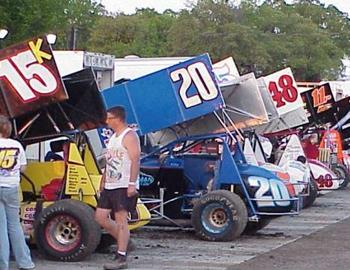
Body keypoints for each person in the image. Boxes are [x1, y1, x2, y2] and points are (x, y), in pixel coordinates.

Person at [95, 106, 140, 270]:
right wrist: (103, 180)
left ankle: (121, 256)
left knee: (121, 220)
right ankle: (124, 241)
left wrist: (132, 184)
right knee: (100, 217)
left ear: (117, 119)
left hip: (123, 184)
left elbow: (135, 159)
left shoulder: (129, 136)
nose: (106, 122)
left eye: (109, 118)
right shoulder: (113, 138)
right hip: (110, 184)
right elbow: (109, 161)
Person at [0, 115, 35, 270]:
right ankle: (25, 262)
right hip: (12, 187)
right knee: (14, 225)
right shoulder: (17, 145)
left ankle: (3, 264)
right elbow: (23, 167)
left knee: (1, 227)